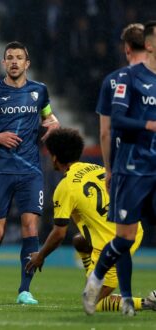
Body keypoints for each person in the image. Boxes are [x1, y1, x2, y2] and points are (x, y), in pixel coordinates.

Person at [0, 41, 60, 305]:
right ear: (4, 63)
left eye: (20, 57)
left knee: (30, 225)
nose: (15, 62)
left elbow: (49, 118)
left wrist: (53, 125)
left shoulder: (39, 91)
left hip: (30, 170)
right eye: (10, 58)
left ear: (27, 63)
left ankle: (24, 290)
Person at [25, 128, 156, 313]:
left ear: (54, 158)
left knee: (93, 302)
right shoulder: (97, 168)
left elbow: (59, 233)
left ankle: (149, 302)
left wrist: (40, 256)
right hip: (132, 228)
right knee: (80, 241)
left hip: (113, 243)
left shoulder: (65, 187)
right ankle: (93, 276)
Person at [82, 20, 156, 316]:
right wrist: (149, 125)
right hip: (132, 168)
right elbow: (117, 122)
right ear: (148, 45)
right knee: (124, 239)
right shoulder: (128, 78)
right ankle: (96, 280)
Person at [96, 23, 147, 191]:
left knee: (126, 217)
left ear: (127, 49)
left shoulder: (112, 81)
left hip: (123, 165)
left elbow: (105, 133)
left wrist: (108, 170)